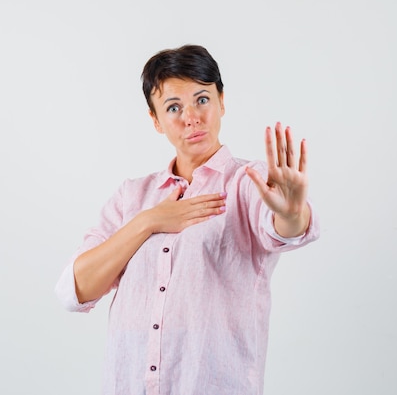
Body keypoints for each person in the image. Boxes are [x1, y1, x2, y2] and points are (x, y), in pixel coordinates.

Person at [55, 44, 320, 395]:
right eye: (173, 107)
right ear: (156, 121)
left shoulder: (248, 181)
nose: (191, 117)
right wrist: (147, 221)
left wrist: (290, 212)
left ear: (222, 101)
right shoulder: (132, 196)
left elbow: (283, 230)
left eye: (202, 99)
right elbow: (75, 290)